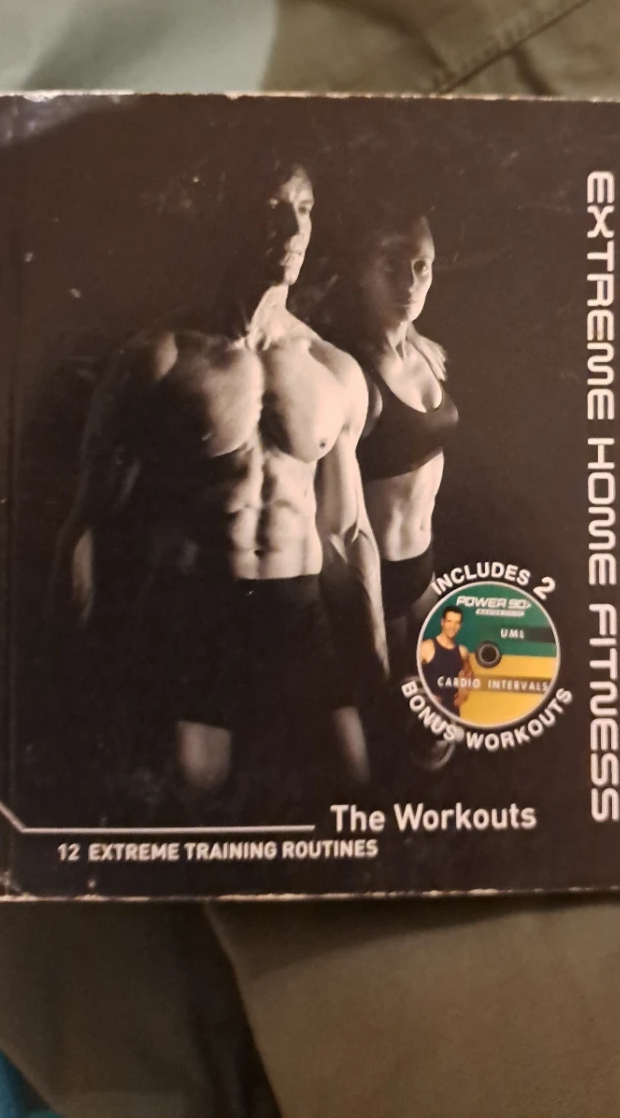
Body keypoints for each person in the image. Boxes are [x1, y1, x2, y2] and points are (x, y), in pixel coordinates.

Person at [55, 160, 387, 804]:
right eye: (272, 209)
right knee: (196, 798)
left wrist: (375, 658)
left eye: (304, 209)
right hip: (197, 611)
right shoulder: (160, 358)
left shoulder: (334, 370)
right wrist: (73, 658)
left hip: (296, 609)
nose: (292, 229)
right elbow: (90, 520)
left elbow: (349, 531)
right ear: (231, 219)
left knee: (353, 786)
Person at [318, 204, 458, 669]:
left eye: (422, 266)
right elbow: (335, 525)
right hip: (378, 588)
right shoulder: (348, 369)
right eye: (392, 266)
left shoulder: (423, 352)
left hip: (423, 574)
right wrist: (370, 631)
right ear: (362, 272)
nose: (410, 282)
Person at [419, 605, 473, 718]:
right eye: (449, 621)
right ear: (442, 622)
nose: (452, 627)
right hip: (427, 712)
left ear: (460, 625)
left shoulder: (462, 651)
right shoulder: (426, 647)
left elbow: (468, 673)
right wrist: (427, 696)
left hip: (451, 712)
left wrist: (464, 692)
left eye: (457, 623)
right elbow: (409, 677)